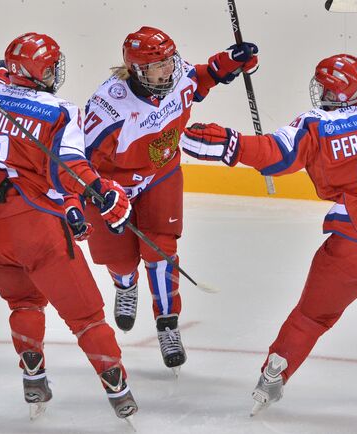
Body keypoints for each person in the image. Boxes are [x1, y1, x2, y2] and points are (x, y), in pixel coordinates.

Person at [181, 53, 357, 412]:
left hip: (355, 246)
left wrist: (231, 145)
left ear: (335, 92)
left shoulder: (316, 124)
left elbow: (276, 155)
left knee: (312, 316)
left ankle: (273, 378)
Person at [0, 33, 138, 422]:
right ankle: (117, 389)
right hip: (34, 229)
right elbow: (68, 166)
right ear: (38, 71)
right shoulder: (58, 110)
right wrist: (102, 192)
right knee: (86, 318)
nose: (56, 72)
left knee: (23, 303)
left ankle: (33, 375)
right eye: (51, 66)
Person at [83, 26, 259, 374]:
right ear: (136, 70)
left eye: (169, 60)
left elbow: (203, 77)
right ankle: (125, 284)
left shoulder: (177, 78)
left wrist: (233, 62)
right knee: (117, 259)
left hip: (161, 177)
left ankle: (167, 324)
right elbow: (77, 158)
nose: (168, 69)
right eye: (158, 65)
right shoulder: (109, 108)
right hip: (112, 189)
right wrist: (88, 197)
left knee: (161, 250)